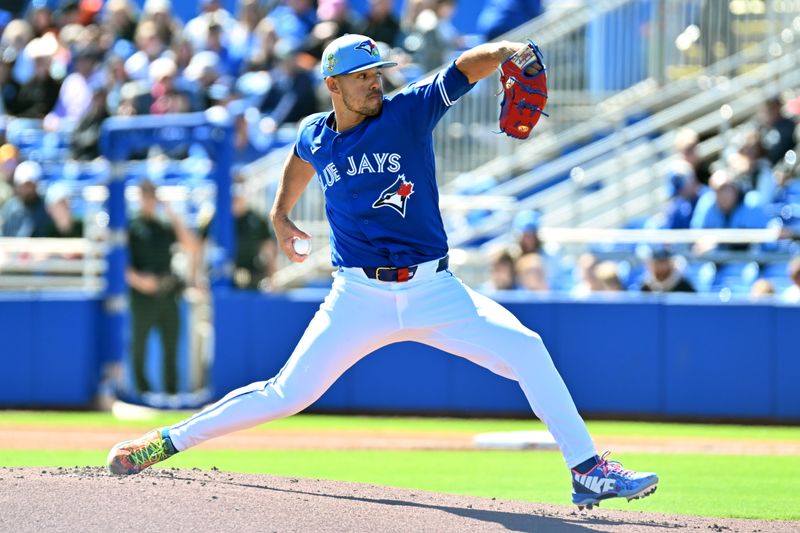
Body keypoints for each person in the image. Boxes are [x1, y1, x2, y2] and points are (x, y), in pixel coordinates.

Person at [107, 34, 658, 510]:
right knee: (285, 394)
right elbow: (301, 159)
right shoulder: (317, 133)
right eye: (362, 76)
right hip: (356, 298)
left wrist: (510, 52)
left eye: (377, 74)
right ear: (333, 85)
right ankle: (163, 443)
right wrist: (279, 215)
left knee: (528, 349)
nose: (375, 83)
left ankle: (587, 470)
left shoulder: (408, 111)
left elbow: (467, 66)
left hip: (434, 289)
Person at [126, 180, 201, 396]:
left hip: (167, 294)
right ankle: (143, 393)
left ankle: (171, 394)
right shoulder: (131, 226)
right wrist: (139, 281)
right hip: (141, 296)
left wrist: (172, 213)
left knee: (171, 347)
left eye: (152, 197)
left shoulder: (164, 226)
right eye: (145, 196)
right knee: (139, 347)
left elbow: (192, 246)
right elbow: (120, 263)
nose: (149, 202)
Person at [0, 160, 52, 237]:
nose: (27, 190)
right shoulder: (9, 207)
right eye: (24, 186)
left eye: (30, 185)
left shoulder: (46, 207)